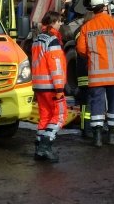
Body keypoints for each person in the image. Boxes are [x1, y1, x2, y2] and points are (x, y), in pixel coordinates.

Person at [76, 0, 114, 147]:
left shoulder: (86, 27)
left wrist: (92, 57)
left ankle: (97, 137)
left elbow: (81, 49)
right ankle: (113, 136)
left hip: (96, 74)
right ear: (106, 7)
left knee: (97, 105)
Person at [30, 11, 68, 163]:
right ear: (53, 22)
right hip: (51, 86)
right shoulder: (52, 41)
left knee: (45, 117)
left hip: (39, 86)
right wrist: (59, 88)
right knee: (60, 115)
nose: (61, 24)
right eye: (59, 21)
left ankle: (39, 148)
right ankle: (46, 146)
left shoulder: (37, 40)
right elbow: (56, 66)